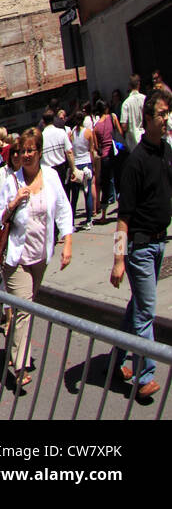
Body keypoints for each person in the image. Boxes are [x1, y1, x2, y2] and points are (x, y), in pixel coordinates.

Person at [0, 128, 74, 389]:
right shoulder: (12, 182)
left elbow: (63, 210)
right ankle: (19, 364)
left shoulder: (50, 177)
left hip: (41, 256)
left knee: (26, 308)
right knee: (24, 309)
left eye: (30, 150)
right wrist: (13, 203)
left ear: (39, 152)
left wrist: (67, 242)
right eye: (22, 151)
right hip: (16, 258)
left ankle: (14, 344)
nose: (25, 155)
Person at [110, 88, 171, 400]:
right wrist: (119, 259)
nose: (165, 119)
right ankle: (145, 375)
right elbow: (124, 216)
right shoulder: (135, 162)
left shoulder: (166, 152)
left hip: (159, 244)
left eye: (166, 114)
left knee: (136, 308)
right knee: (146, 309)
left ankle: (117, 358)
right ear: (147, 119)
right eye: (161, 114)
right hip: (139, 248)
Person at [68, 109, 97, 230]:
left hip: (76, 165)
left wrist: (72, 167)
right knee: (87, 192)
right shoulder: (89, 132)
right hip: (86, 163)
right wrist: (94, 166)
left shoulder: (71, 134)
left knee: (74, 196)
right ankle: (89, 220)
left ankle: (72, 222)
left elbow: (71, 151)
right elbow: (91, 150)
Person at [120, 74, 146, 148]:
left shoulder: (126, 103)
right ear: (139, 84)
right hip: (145, 136)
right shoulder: (145, 99)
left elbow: (124, 126)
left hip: (133, 140)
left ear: (129, 86)